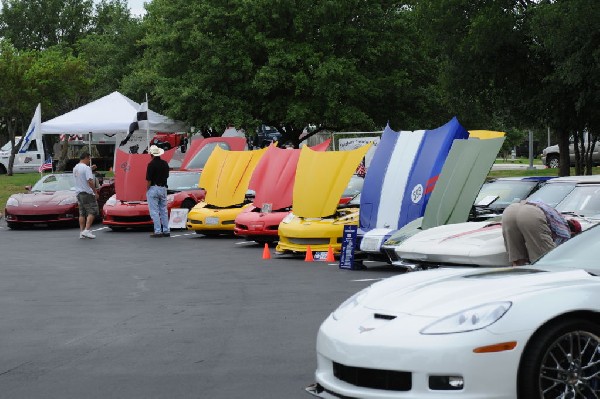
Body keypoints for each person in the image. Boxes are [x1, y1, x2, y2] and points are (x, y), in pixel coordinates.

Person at [502, 200, 581, 265]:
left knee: (518, 258)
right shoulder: (565, 230)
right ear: (573, 232)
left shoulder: (557, 216)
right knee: (545, 259)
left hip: (511, 209)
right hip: (530, 214)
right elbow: (558, 251)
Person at [73, 152, 99, 239]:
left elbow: (82, 173)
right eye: (89, 159)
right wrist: (95, 192)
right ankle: (87, 230)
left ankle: (82, 232)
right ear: (86, 158)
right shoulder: (86, 168)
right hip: (87, 192)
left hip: (78, 192)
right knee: (92, 211)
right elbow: (90, 181)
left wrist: (91, 168)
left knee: (82, 213)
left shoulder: (75, 168)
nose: (89, 161)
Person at [146, 145, 170, 237]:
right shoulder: (165, 163)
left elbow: (149, 180)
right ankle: (166, 230)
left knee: (154, 211)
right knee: (163, 210)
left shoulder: (151, 164)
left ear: (151, 154)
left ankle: (157, 230)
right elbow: (167, 176)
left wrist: (147, 189)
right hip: (163, 187)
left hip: (154, 188)